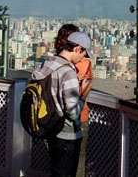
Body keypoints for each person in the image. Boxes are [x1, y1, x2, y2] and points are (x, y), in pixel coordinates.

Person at [33, 30, 93, 177]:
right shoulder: (69, 73)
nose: (82, 59)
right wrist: (83, 94)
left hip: (50, 127)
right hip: (67, 134)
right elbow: (73, 113)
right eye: (83, 54)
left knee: (56, 171)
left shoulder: (48, 64)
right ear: (77, 49)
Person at [54, 25, 94, 177]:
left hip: (56, 118)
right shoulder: (83, 64)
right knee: (77, 162)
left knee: (59, 163)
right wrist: (82, 95)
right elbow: (88, 86)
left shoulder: (54, 62)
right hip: (77, 116)